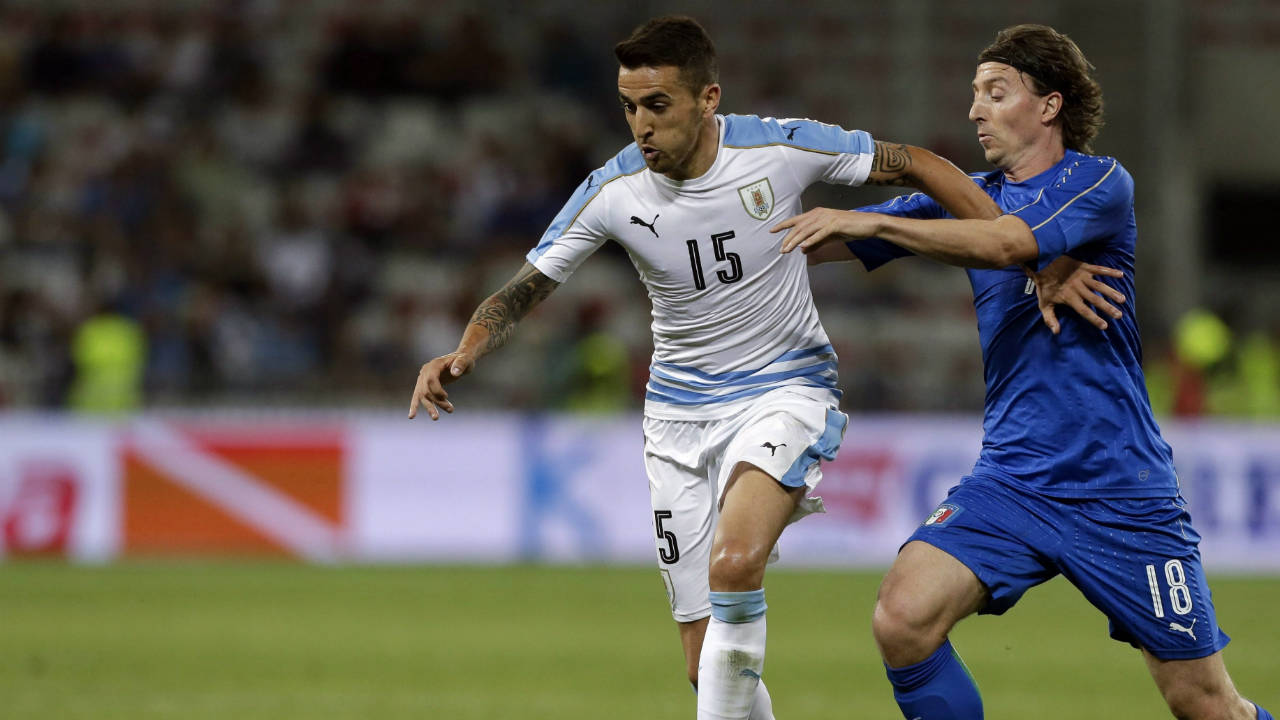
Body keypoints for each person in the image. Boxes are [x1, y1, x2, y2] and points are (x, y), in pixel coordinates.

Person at [409, 15, 1003, 720]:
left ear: (708, 98)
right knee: (705, 666)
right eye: (629, 107)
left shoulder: (778, 147)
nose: (641, 125)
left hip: (784, 390)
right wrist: (465, 351)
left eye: (658, 105)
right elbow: (526, 287)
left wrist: (1012, 243)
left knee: (735, 563)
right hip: (676, 419)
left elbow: (915, 163)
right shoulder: (612, 190)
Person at [774, 23, 1274, 720]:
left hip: (1119, 489)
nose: (974, 109)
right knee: (903, 618)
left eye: (995, 92)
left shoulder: (1099, 182)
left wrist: (875, 224)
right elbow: (814, 242)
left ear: (1049, 105)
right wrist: (723, 213)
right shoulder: (967, 198)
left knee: (1204, 703)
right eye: (974, 93)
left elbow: (1006, 242)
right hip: (1014, 480)